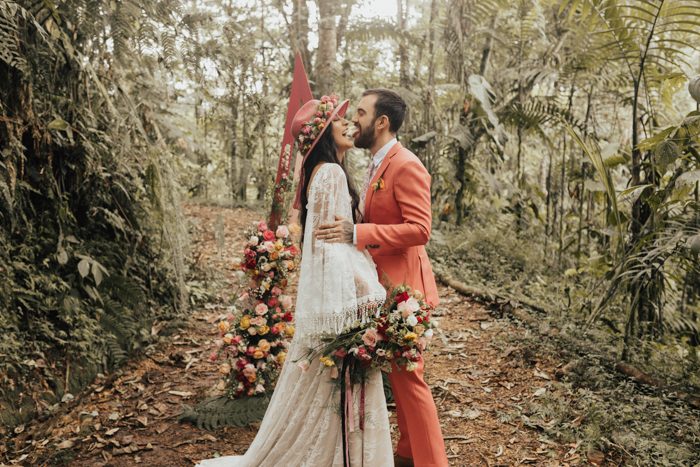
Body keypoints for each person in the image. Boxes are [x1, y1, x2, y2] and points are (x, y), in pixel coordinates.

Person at [196, 95, 393, 466]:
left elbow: (321, 245)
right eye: (339, 121)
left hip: (328, 301)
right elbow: (331, 247)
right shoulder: (331, 174)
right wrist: (368, 289)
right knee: (336, 391)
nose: (349, 124)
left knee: (320, 390)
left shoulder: (319, 174)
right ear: (323, 134)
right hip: (341, 302)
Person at [316, 88, 448, 467]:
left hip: (406, 292)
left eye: (360, 112)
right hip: (384, 289)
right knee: (402, 381)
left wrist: (359, 234)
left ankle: (431, 462)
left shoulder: (406, 164)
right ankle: (408, 454)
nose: (353, 120)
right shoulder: (376, 162)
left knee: (410, 382)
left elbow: (420, 229)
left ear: (381, 122)